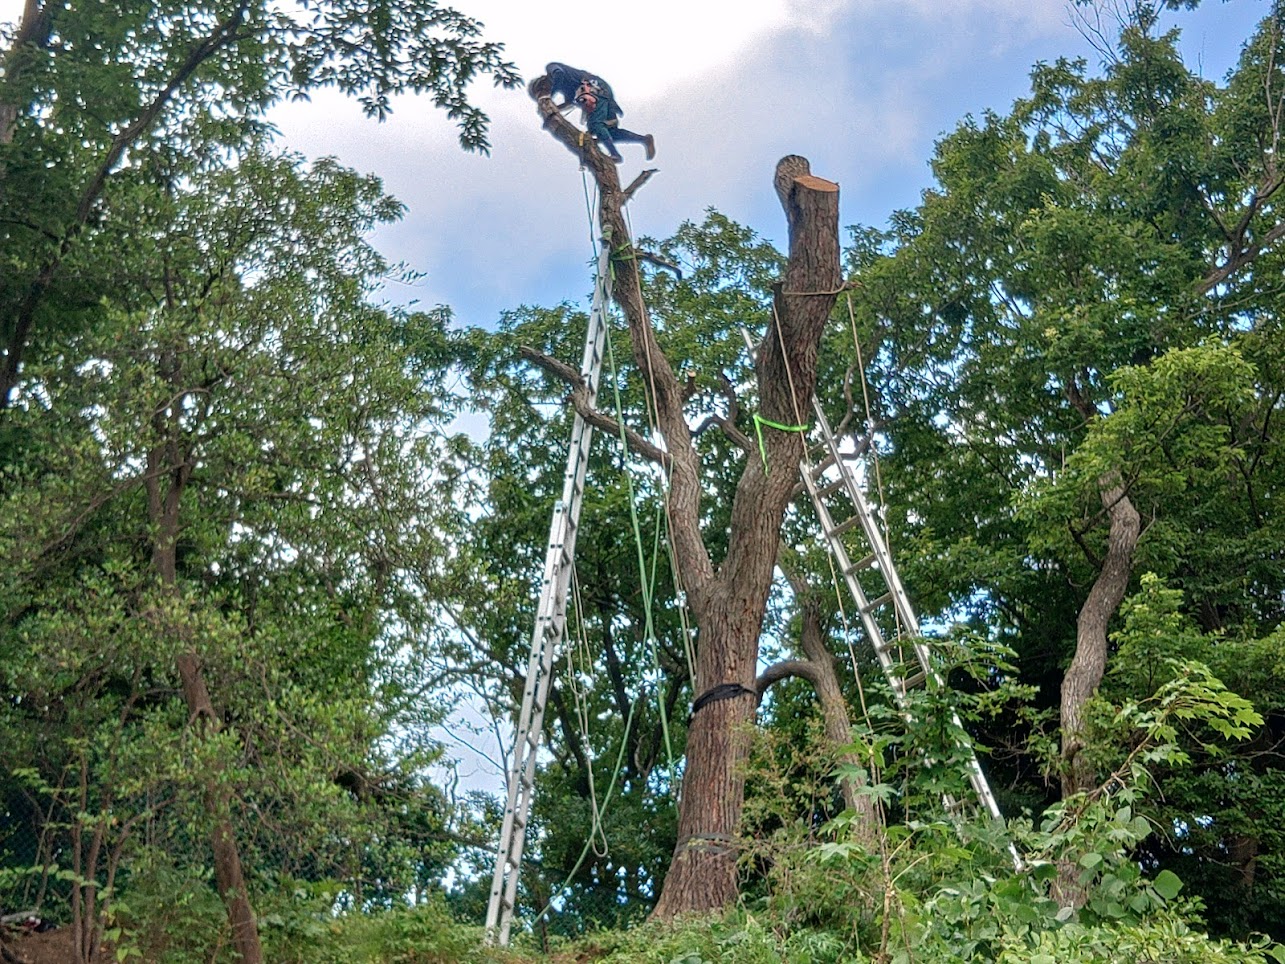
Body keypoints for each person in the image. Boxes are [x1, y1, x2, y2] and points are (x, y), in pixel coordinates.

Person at [573, 77, 655, 164]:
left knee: (596, 125)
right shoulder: (581, 87)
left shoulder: (582, 83)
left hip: (599, 100)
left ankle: (615, 154)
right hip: (603, 102)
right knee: (612, 132)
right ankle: (644, 139)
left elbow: (587, 97)